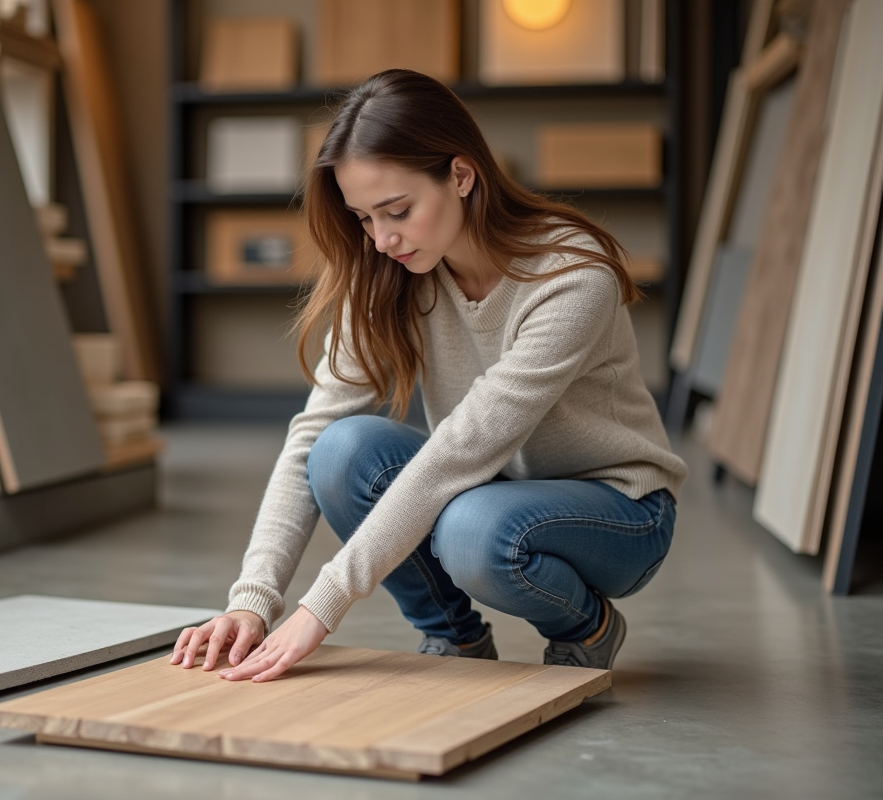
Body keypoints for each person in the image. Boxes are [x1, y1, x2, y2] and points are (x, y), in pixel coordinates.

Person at [171, 69, 687, 683]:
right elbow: (312, 435)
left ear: (461, 176)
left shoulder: (570, 275)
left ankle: (586, 627)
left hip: (621, 512)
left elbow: (460, 450)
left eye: (398, 210)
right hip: (488, 487)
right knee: (340, 451)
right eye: (363, 218)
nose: (382, 238)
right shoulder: (391, 270)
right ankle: (456, 640)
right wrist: (252, 599)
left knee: (475, 530)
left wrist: (321, 606)